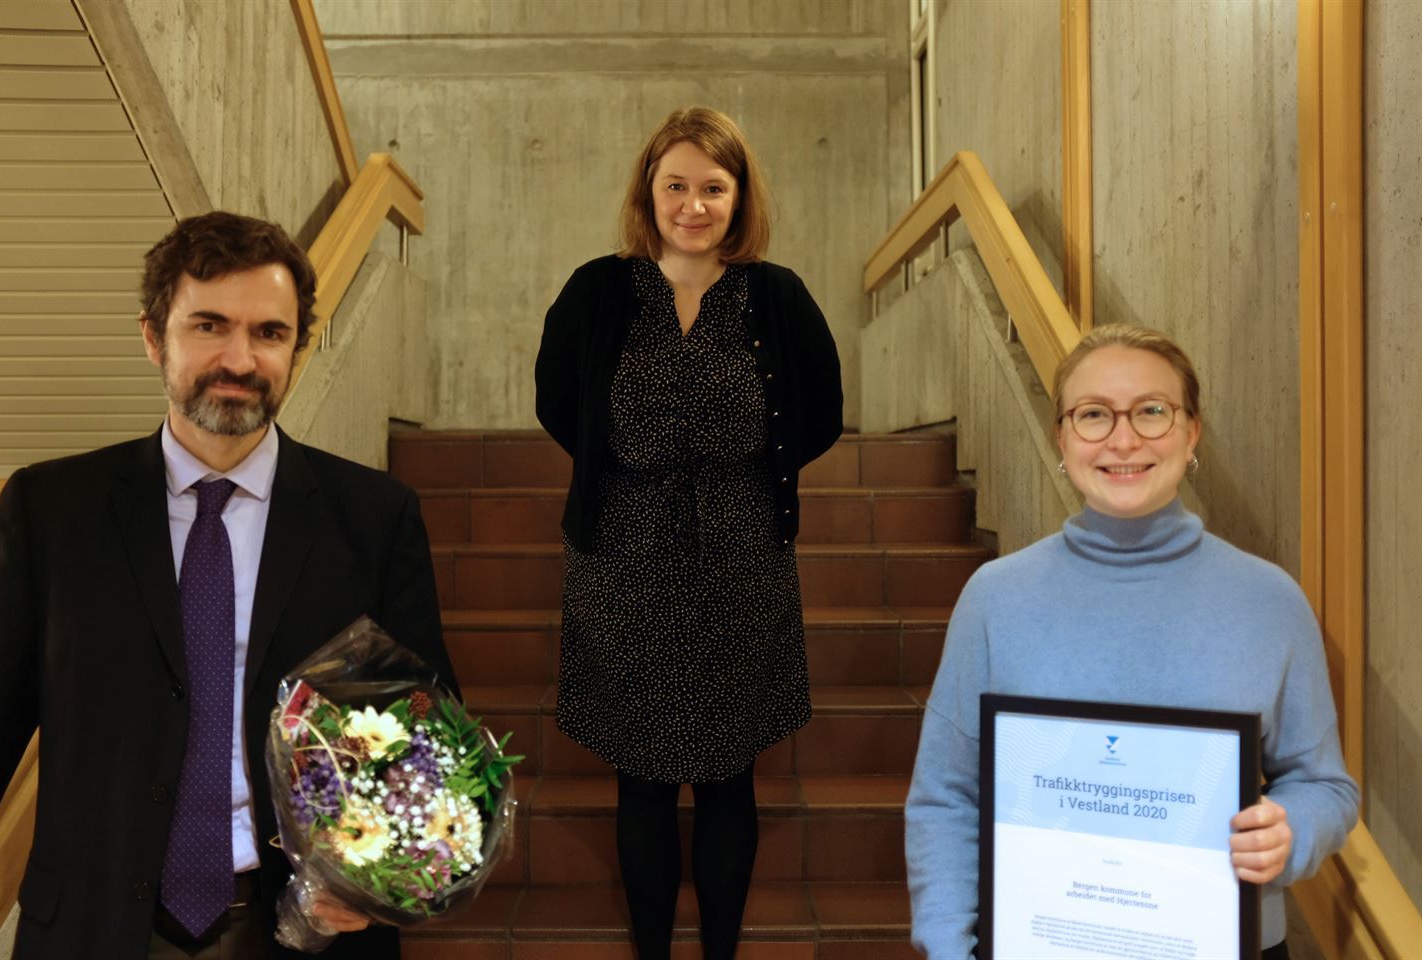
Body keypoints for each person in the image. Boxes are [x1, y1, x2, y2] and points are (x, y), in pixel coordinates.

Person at [0, 211, 456, 959]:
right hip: (98, 927)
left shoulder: (371, 517)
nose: (239, 358)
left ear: (295, 348)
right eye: (208, 325)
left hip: (303, 931)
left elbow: (423, 730)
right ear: (152, 336)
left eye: (269, 333)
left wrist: (382, 874)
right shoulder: (50, 512)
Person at [904, 324, 1359, 958]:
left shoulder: (1269, 600)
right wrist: (947, 947)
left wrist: (1293, 831)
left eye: (1152, 411)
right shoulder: (996, 597)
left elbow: (1326, 787)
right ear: (1061, 437)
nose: (1124, 439)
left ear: (1191, 431)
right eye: (1093, 415)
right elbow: (946, 796)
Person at [534, 106, 843, 959]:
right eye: (677, 185)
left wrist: (733, 480)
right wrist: (630, 469)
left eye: (714, 186)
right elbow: (558, 401)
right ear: (650, 192)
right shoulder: (598, 288)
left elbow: (821, 413)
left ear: (740, 197)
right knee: (639, 777)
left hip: (742, 557)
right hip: (621, 559)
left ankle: (718, 951)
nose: (694, 204)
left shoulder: (776, 297)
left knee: (728, 775)